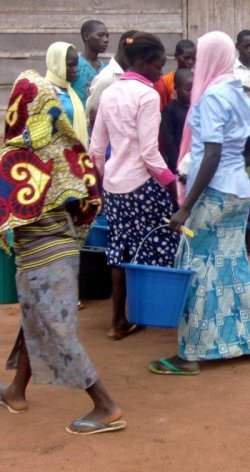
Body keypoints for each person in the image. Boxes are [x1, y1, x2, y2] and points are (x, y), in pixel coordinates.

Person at [0, 56, 124, 435]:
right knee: (36, 318)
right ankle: (16, 391)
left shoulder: (21, 156)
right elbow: (85, 200)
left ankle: (105, 405)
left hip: (43, 253)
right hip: (63, 247)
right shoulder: (64, 148)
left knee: (54, 327)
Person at [149, 31, 250, 375]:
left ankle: (190, 355)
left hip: (214, 193)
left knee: (197, 267)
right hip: (238, 193)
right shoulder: (239, 95)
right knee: (233, 265)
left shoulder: (209, 98)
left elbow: (213, 153)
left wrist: (187, 205)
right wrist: (232, 168)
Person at [90, 32, 179, 340]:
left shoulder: (110, 93)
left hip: (115, 187)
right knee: (158, 246)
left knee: (119, 252)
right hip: (143, 185)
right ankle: (150, 313)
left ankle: (117, 321)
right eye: (158, 65)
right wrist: (173, 184)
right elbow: (150, 154)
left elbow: (96, 149)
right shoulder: (148, 95)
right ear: (142, 63)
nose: (160, 72)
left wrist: (100, 187)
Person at [86, 30, 137, 127]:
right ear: (123, 48)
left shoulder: (134, 76)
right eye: (134, 55)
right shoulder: (107, 78)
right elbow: (92, 115)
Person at [160, 68, 193, 173]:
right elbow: (168, 142)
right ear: (175, 88)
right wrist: (178, 165)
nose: (192, 93)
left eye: (194, 88)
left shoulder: (197, 108)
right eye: (188, 90)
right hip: (178, 165)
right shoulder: (169, 111)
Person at [71, 20, 109, 107]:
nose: (106, 40)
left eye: (107, 36)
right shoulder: (74, 64)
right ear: (86, 36)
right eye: (100, 35)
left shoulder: (105, 69)